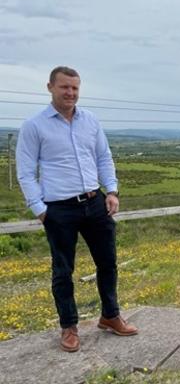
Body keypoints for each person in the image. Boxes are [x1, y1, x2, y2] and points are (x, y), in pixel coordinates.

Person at [16, 66, 137, 353]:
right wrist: (40, 209)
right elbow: (25, 172)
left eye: (75, 88)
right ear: (50, 87)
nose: (70, 93)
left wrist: (112, 191)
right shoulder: (34, 126)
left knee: (108, 263)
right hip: (59, 209)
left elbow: (103, 157)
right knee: (62, 270)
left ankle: (110, 316)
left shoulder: (90, 120)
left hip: (95, 202)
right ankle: (69, 326)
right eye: (64, 87)